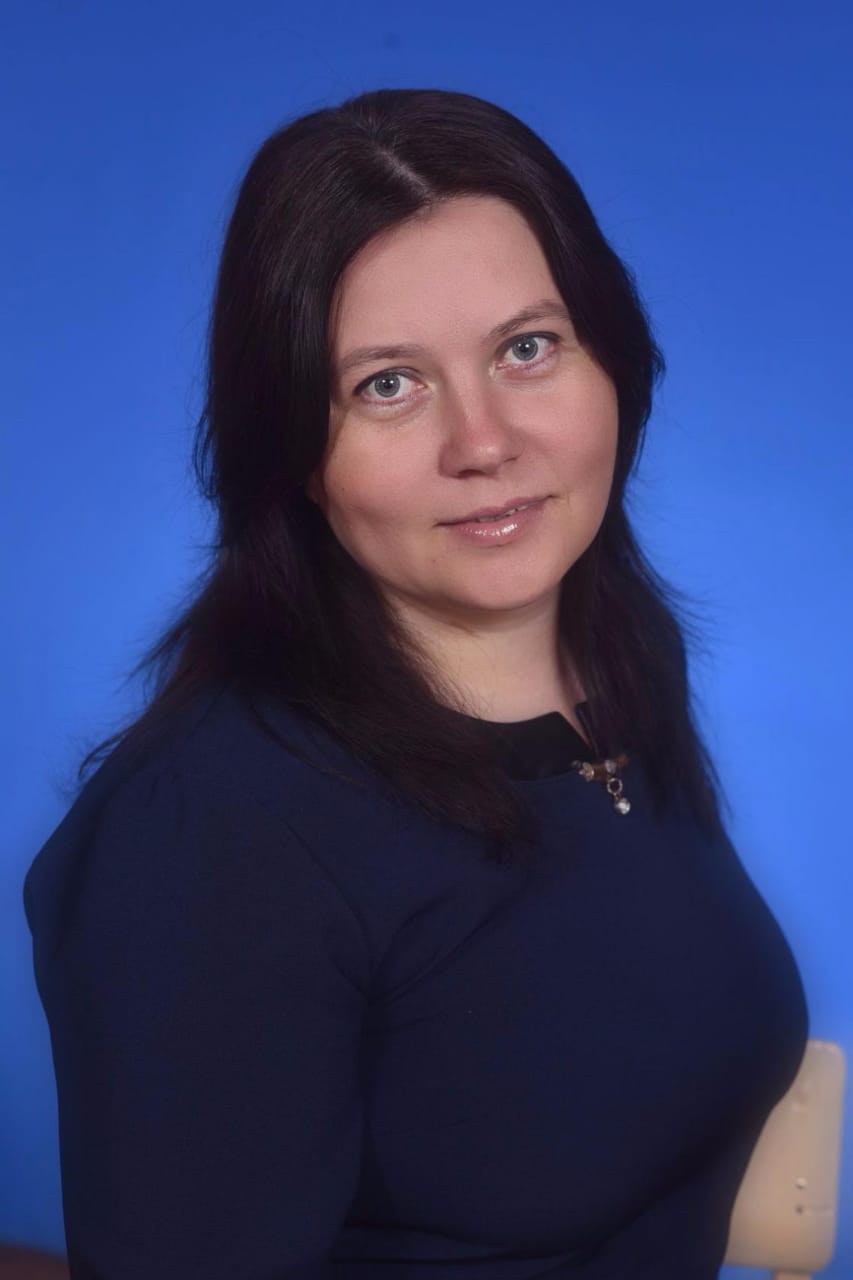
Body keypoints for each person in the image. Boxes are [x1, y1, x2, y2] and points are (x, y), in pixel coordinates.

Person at [23, 88, 808, 1279]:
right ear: (294, 448)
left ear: (613, 358)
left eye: (526, 347)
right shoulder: (215, 832)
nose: (483, 442)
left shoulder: (617, 670)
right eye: (387, 383)